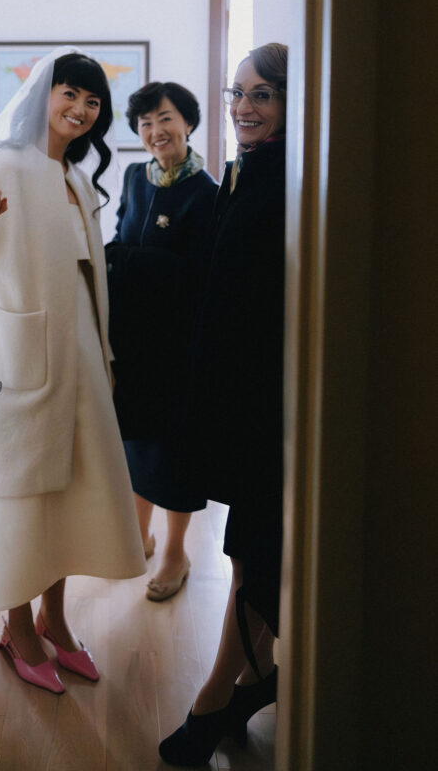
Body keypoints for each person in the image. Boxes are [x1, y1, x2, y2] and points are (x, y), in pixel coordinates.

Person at [0, 48, 146, 695]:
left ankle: (56, 618)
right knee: (27, 498)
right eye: (69, 95)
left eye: (91, 102)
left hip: (83, 353)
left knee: (74, 494)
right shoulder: (1, 164)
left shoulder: (75, 177)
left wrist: (104, 357)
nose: (80, 110)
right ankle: (16, 625)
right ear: (41, 95)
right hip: (25, 355)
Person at [159, 43, 288, 765]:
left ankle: (219, 698)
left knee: (253, 550)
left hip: (267, 400)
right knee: (252, 547)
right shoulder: (247, 173)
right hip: (238, 395)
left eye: (261, 94)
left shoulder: (288, 177)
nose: (243, 106)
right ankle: (248, 682)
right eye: (237, 92)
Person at [106, 81, 218, 601]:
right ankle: (140, 536)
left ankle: (176, 551)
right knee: (136, 442)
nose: (156, 132)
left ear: (188, 123)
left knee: (175, 453)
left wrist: (121, 261)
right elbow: (121, 235)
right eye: (146, 123)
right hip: (132, 340)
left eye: (166, 119)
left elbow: (198, 274)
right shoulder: (132, 177)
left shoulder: (209, 192)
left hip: (180, 345)